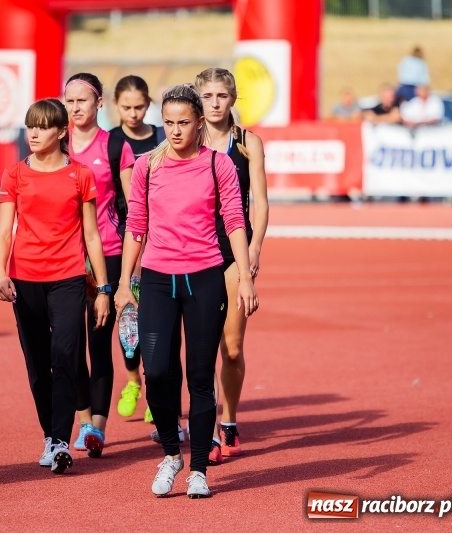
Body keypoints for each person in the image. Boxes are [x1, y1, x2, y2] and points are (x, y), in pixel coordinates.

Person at [114, 83, 258, 498]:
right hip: (158, 279)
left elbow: (235, 220)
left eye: (183, 123)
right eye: (169, 123)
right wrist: (124, 282)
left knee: (199, 376)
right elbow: (135, 225)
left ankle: (198, 469)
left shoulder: (218, 164)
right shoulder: (147, 165)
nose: (175, 131)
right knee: (157, 372)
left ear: (198, 123)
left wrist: (245, 277)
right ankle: (170, 454)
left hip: (205, 278)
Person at [0, 98, 110, 474]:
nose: (34, 133)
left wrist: (103, 289)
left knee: (65, 358)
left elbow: (92, 235)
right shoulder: (14, 174)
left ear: (62, 132)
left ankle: (60, 440)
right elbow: (4, 231)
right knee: (37, 365)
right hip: (25, 280)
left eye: (43, 127)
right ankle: (50, 436)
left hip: (68, 278)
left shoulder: (80, 175)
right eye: (31, 126)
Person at [195, 67, 269, 465]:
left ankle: (229, 420)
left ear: (233, 99)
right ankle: (205, 430)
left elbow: (261, 201)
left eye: (221, 96)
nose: (214, 104)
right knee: (201, 349)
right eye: (207, 96)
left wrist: (254, 249)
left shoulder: (247, 143)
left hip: (234, 252)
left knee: (233, 348)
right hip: (196, 250)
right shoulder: (188, 139)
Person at [64, 72, 135, 458]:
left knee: (98, 343)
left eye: (82, 101)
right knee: (68, 346)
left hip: (105, 254)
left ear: (99, 103)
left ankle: (97, 428)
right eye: (69, 101)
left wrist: (132, 266)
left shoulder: (115, 146)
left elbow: (134, 207)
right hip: (63, 256)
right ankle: (83, 420)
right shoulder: (57, 143)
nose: (75, 108)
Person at [106, 74, 166, 423]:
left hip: (161, 240)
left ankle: (156, 387)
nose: (133, 113)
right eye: (126, 107)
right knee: (127, 315)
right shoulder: (111, 142)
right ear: (116, 105)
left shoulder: (161, 138)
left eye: (139, 107)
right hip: (123, 239)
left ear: (148, 105)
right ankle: (132, 381)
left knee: (157, 318)